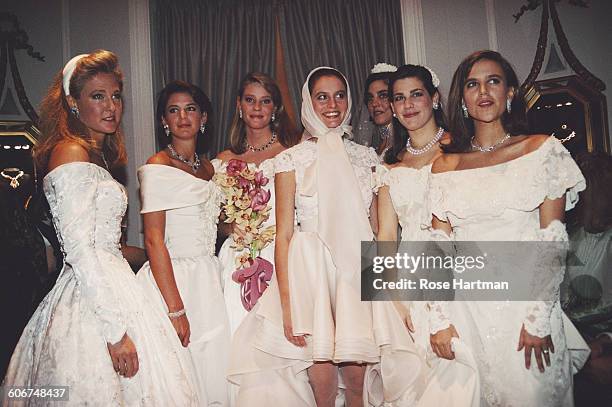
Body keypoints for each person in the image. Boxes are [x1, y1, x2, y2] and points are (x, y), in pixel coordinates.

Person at [2, 50, 199, 405]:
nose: (111, 106)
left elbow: (108, 245)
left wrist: (162, 253)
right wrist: (115, 333)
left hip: (116, 281)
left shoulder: (96, 156)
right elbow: (80, 251)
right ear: (73, 103)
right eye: (97, 96)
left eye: (116, 96)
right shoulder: (71, 153)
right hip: (92, 299)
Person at [428, 50, 587, 406]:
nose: (483, 91)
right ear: (463, 98)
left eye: (493, 81)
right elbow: (438, 247)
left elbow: (552, 240)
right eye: (473, 84)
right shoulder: (445, 167)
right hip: (466, 311)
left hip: (526, 311)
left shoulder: (542, 150)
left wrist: (538, 319)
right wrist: (437, 318)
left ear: (510, 93)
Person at [368, 64, 479, 406]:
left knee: (459, 371)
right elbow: (386, 234)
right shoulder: (390, 164)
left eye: (416, 94)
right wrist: (394, 298)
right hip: (409, 274)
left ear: (433, 98)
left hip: (459, 265)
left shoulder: (462, 148)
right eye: (398, 97)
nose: (408, 104)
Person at [136, 80, 229, 406]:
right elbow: (153, 239)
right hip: (174, 279)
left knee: (213, 368)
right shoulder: (158, 165)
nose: (183, 116)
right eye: (173, 110)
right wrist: (175, 310)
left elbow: (220, 226)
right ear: (164, 121)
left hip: (208, 278)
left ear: (203, 117)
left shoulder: (210, 168)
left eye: (190, 108)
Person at [213, 72, 300, 336]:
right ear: (239, 105)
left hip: (283, 253)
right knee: (238, 333)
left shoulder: (291, 153)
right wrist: (229, 228)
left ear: (275, 108)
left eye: (265, 101)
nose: (257, 108)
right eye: (250, 100)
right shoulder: (224, 160)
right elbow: (213, 217)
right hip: (238, 258)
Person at [362, 63, 397, 158]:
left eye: (383, 96)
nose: (374, 103)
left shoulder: (411, 143)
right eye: (370, 98)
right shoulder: (374, 145)